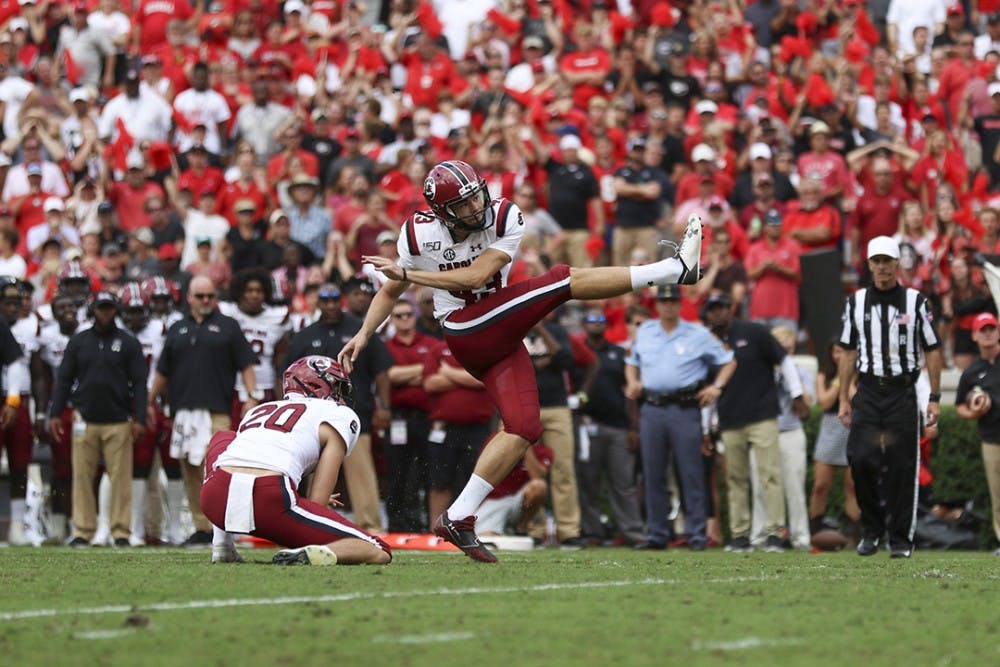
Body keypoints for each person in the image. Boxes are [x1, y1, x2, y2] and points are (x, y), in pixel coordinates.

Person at [340, 159, 702, 562]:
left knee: (524, 426)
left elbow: (476, 276)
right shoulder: (416, 235)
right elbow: (390, 292)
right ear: (441, 213)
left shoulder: (505, 215)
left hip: (499, 328)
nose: (476, 208)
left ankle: (458, 516)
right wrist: (363, 333)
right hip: (465, 328)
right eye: (463, 205)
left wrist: (411, 277)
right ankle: (673, 269)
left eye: (477, 196)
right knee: (561, 280)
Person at [201, 356, 392, 566]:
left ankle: (221, 543)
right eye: (336, 386)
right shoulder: (339, 415)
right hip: (270, 499)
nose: (340, 396)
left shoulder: (258, 410)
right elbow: (316, 501)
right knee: (378, 549)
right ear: (316, 384)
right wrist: (312, 510)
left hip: (214, 498)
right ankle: (316, 552)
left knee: (223, 437)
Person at [837, 236, 943, 559]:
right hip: (868, 391)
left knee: (901, 465)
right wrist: (843, 397)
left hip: (902, 392)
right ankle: (871, 530)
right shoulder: (855, 303)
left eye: (887, 261)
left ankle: (899, 539)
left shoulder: (916, 302)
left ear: (897, 264)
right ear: (868, 264)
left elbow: (933, 349)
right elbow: (847, 351)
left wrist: (934, 396)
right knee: (860, 458)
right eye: (876, 261)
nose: (882, 267)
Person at [148, 275, 260, 547]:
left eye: (210, 295)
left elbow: (246, 364)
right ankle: (201, 526)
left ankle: (223, 526)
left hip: (216, 409)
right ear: (189, 298)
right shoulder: (177, 328)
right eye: (200, 296)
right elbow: (163, 370)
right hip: (183, 410)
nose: (206, 301)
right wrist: (149, 401)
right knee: (190, 467)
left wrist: (251, 396)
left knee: (218, 467)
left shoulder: (228, 327)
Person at [625, 284, 736, 550]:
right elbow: (631, 361)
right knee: (653, 473)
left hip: (684, 408)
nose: (668, 305)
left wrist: (716, 387)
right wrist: (632, 381)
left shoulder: (697, 333)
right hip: (651, 407)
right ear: (657, 305)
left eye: (672, 301)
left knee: (691, 472)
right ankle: (657, 533)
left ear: (680, 303)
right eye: (663, 301)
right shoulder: (646, 332)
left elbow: (729, 360)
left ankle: (696, 533)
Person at [283, 283, 392, 536]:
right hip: (312, 419)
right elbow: (287, 374)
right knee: (312, 469)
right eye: (325, 300)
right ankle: (309, 520)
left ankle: (370, 525)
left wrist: (384, 406)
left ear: (340, 301)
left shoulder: (358, 330)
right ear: (317, 303)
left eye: (334, 300)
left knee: (361, 471)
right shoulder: (304, 336)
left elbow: (382, 371)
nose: (331, 305)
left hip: (355, 412)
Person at [704, 292, 809, 553]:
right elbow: (706, 387)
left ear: (731, 308)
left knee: (770, 476)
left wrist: (796, 393)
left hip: (762, 416)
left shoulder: (754, 332)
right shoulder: (707, 343)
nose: (718, 313)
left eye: (722, 307)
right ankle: (740, 535)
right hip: (730, 418)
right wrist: (705, 427)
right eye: (713, 309)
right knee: (736, 479)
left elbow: (783, 359)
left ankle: (774, 533)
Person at [48, 291, 148, 547]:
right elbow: (64, 379)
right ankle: (82, 530)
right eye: (101, 308)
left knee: (120, 478)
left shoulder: (128, 342)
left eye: (110, 308)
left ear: (116, 310)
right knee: (81, 475)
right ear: (93, 309)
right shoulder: (79, 342)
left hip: (118, 419)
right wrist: (55, 412)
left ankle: (120, 531)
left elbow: (139, 383)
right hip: (85, 417)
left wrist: (139, 417)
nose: (105, 313)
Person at [575, 308, 645, 547]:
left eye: (600, 320)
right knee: (588, 483)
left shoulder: (618, 353)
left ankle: (633, 533)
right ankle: (592, 532)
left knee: (623, 484)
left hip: (618, 426)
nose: (596, 324)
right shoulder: (577, 353)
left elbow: (631, 393)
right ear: (584, 323)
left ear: (606, 326)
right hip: (587, 425)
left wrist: (634, 427)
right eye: (591, 320)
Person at [30, 293, 82, 544]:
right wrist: (43, 412)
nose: (67, 310)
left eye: (71, 305)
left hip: (85, 408)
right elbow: (40, 376)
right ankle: (60, 525)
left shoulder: (87, 332)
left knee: (86, 470)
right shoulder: (47, 336)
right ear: (53, 311)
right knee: (61, 469)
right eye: (61, 306)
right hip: (60, 408)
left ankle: (82, 524)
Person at [955, 312, 1000, 557]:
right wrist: (973, 412)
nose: (988, 333)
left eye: (992, 328)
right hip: (992, 438)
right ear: (974, 335)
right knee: (998, 493)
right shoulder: (972, 371)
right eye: (983, 330)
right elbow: (960, 405)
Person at [0, 278, 33, 544]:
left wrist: (11, 401)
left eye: (15, 302)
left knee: (20, 462)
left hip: (12, 399)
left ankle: (19, 525)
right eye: (7, 302)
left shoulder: (28, 325)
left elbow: (14, 362)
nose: (12, 308)